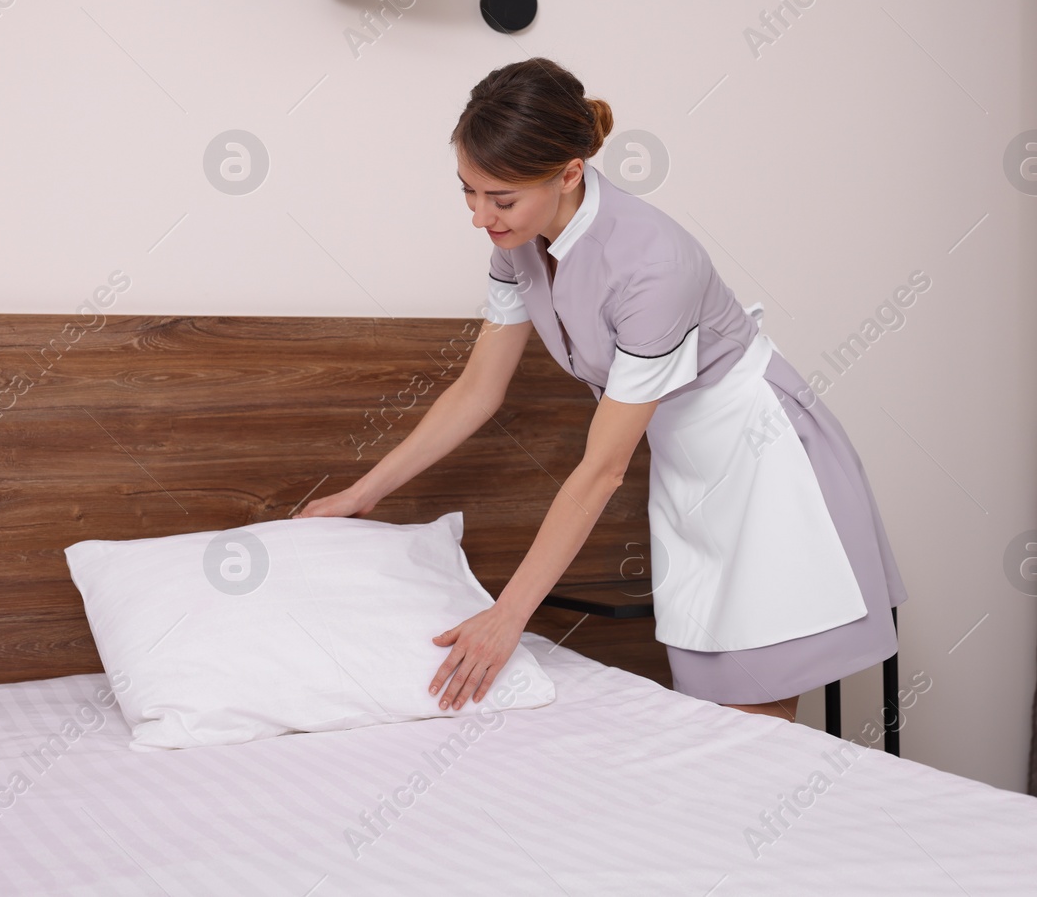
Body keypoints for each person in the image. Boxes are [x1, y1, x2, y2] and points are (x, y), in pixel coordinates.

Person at [297, 57, 907, 722]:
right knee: (714, 716)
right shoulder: (518, 243)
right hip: (690, 469)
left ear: (569, 174)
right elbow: (478, 390)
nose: (480, 216)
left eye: (500, 199)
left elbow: (604, 465)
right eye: (468, 192)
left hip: (763, 462)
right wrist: (362, 493)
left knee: (752, 726)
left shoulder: (654, 265)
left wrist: (508, 616)